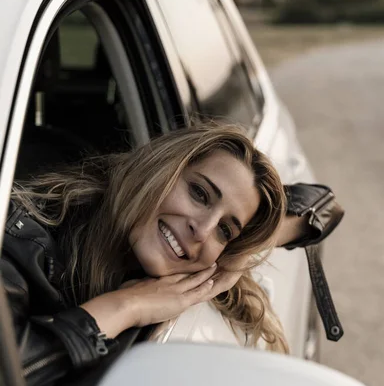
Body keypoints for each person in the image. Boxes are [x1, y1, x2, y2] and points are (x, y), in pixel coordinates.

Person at [1, 123, 342, 385]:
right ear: (158, 168)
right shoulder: (22, 236)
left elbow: (326, 206)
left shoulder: (216, 258)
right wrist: (126, 306)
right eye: (199, 193)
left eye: (226, 230)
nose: (203, 230)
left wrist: (248, 246)